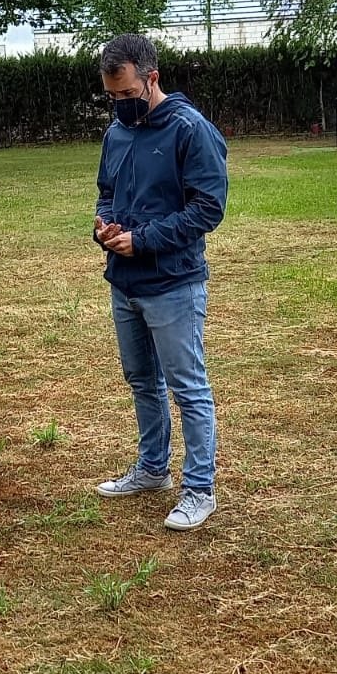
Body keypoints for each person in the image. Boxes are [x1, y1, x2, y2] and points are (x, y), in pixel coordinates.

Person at [91, 33, 229, 532]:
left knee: (188, 387)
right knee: (142, 381)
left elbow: (208, 209)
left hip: (173, 284)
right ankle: (152, 470)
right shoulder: (116, 133)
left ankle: (199, 489)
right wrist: (103, 225)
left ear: (152, 78)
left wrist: (143, 240)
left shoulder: (192, 131)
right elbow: (106, 191)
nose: (120, 105)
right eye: (112, 97)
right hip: (123, 282)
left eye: (127, 95)